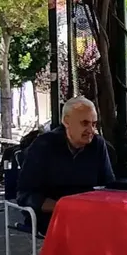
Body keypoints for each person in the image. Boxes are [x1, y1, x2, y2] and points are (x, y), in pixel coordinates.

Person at [16, 96, 115, 232]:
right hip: (51, 214)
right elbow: (26, 195)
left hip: (88, 211)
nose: (91, 130)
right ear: (66, 121)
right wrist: (67, 206)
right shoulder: (44, 145)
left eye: (94, 124)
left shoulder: (97, 144)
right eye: (84, 123)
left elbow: (109, 185)